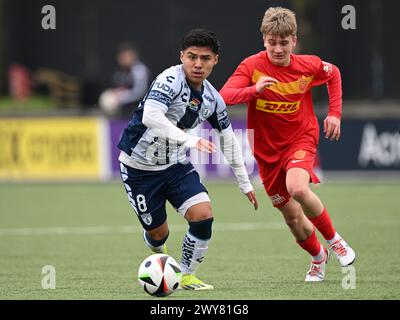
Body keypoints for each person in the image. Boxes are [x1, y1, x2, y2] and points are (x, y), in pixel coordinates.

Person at [220, 7, 355, 282]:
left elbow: (334, 73)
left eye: (284, 42)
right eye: (272, 42)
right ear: (264, 40)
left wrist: (334, 114)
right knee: (293, 219)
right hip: (266, 152)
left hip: (301, 137)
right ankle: (318, 257)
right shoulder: (252, 67)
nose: (278, 49)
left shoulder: (308, 65)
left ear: (294, 40)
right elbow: (223, 96)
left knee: (297, 187)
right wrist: (253, 91)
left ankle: (335, 240)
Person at [117, 29, 258, 290]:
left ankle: (185, 275)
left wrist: (245, 182)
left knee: (203, 214)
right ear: (181, 56)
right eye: (191, 57)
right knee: (159, 235)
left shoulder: (213, 100)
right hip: (138, 168)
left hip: (176, 165)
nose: (197, 64)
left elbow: (227, 139)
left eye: (205, 58)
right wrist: (190, 140)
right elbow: (151, 117)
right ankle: (155, 244)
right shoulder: (169, 79)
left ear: (215, 60)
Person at [100, 42, 150, 117]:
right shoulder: (119, 73)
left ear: (133, 56)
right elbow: (119, 89)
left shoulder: (139, 70)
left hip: (140, 109)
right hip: (124, 109)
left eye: (127, 57)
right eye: (122, 57)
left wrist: (121, 98)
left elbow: (140, 92)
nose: (124, 59)